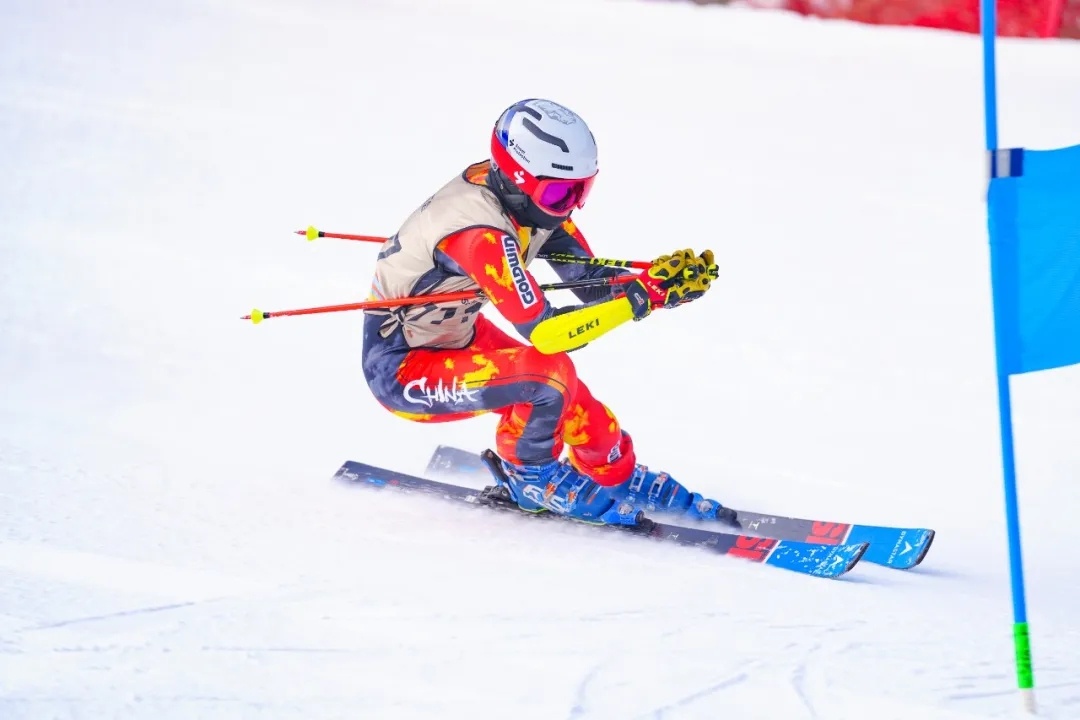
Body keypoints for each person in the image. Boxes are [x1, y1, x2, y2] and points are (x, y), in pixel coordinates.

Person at [362, 98, 732, 526]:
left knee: (570, 393)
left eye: (580, 191)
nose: (569, 206)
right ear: (518, 179)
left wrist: (655, 287)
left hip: (457, 337)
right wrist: (637, 300)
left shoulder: (529, 204)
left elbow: (588, 283)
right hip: (402, 372)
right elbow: (548, 333)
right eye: (559, 193)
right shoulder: (480, 235)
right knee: (546, 379)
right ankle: (531, 475)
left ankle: (615, 475)